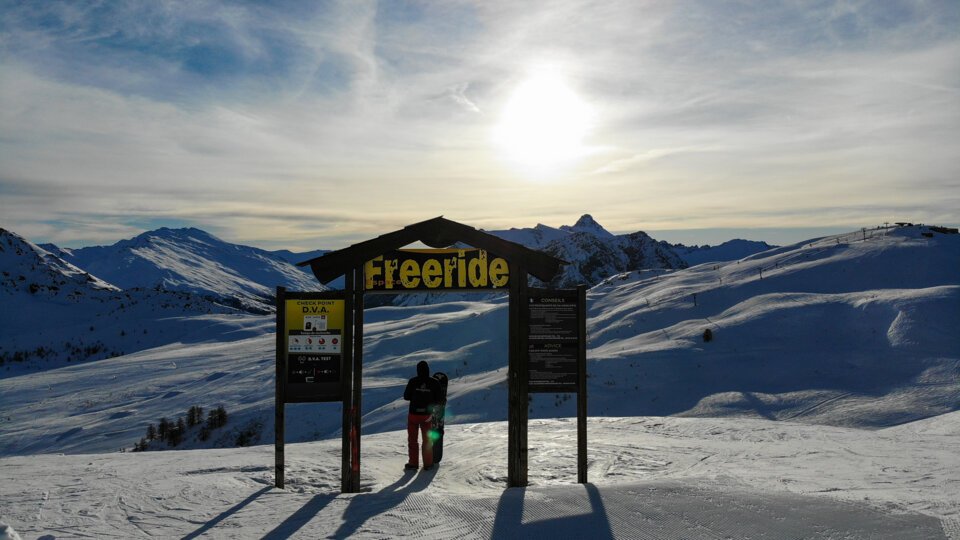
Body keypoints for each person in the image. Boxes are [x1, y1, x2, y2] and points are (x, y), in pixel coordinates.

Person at [403, 360, 442, 470]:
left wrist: (416, 394)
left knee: (412, 440)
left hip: (413, 414)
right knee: (427, 440)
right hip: (427, 415)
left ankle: (413, 464)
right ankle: (428, 464)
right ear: (428, 370)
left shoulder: (413, 381)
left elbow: (406, 396)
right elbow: (439, 399)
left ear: (417, 370)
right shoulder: (434, 382)